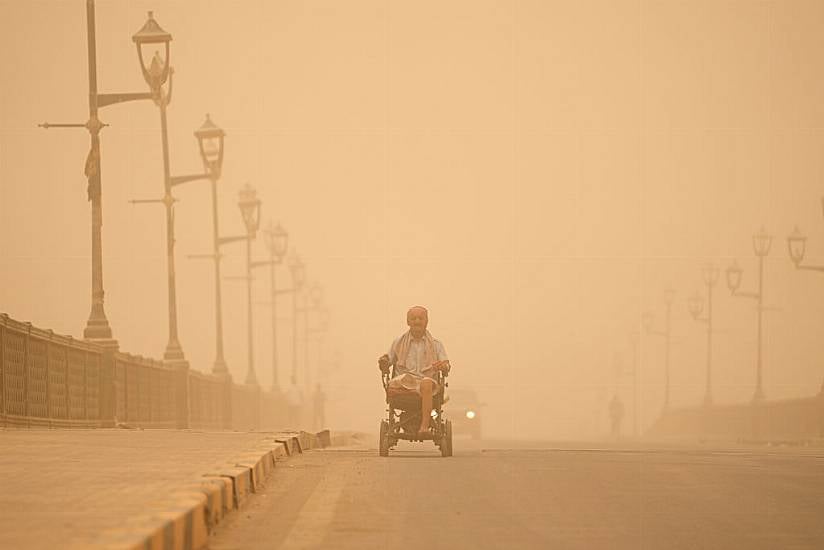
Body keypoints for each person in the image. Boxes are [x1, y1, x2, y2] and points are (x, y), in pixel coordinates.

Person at [378, 306, 450, 438]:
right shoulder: (398, 342)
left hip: (427, 384)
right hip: (404, 382)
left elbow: (446, 364)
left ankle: (424, 427)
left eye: (420, 318)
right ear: (408, 321)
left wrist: (443, 366)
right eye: (413, 318)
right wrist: (384, 361)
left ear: (426, 321)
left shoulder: (436, 344)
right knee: (405, 379)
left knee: (426, 383)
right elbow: (388, 359)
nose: (417, 321)